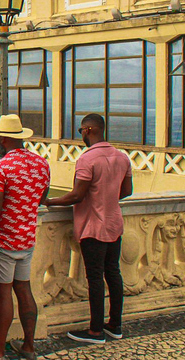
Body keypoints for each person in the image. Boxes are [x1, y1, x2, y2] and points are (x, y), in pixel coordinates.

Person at [45, 113, 133, 345]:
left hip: (93, 226)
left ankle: (95, 331)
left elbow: (77, 194)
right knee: (113, 273)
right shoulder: (122, 157)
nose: (80, 134)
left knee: (94, 277)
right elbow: (127, 191)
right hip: (114, 223)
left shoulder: (87, 159)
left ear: (90, 130)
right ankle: (115, 324)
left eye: (81, 130)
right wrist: (108, 197)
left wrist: (48, 201)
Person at [0, 115, 50, 360]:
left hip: (3, 240)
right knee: (24, 290)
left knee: (3, 295)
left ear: (2, 139)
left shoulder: (1, 168)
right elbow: (42, 197)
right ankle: (29, 346)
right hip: (27, 237)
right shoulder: (42, 164)